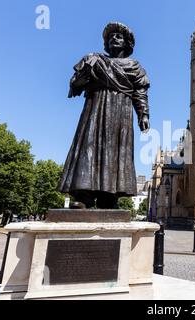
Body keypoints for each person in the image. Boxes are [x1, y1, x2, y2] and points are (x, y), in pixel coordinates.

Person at [59, 22, 150, 209]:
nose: (114, 39)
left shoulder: (134, 66)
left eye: (119, 37)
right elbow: (75, 86)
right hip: (96, 109)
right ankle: (83, 195)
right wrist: (84, 70)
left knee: (117, 151)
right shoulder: (95, 60)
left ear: (127, 43)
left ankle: (109, 197)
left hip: (121, 114)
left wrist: (144, 115)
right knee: (89, 147)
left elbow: (140, 92)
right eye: (111, 37)